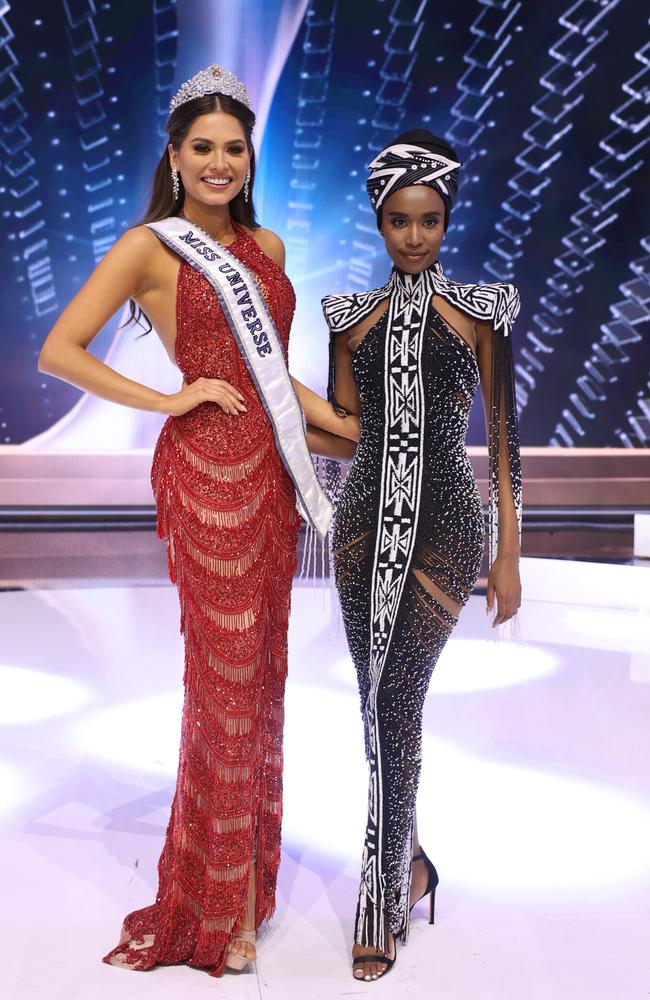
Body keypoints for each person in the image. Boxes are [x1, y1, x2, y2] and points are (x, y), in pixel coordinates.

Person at [38, 65, 357, 977]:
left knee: (259, 680)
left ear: (251, 157)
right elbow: (59, 349)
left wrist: (349, 427)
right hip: (207, 477)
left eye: (234, 147)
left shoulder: (271, 248)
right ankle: (216, 911)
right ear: (175, 158)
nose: (220, 162)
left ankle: (244, 880)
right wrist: (169, 399)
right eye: (202, 148)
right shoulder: (150, 247)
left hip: (272, 477)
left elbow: (275, 380)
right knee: (222, 681)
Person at [322, 130, 523, 981]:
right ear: (378, 222)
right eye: (399, 221)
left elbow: (506, 441)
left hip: (447, 523)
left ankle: (380, 891)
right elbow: (345, 429)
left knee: (398, 697)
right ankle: (406, 863)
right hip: (363, 525)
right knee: (374, 704)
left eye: (430, 220)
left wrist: (511, 552)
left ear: (448, 219)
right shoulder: (347, 317)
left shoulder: (483, 314)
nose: (414, 237)